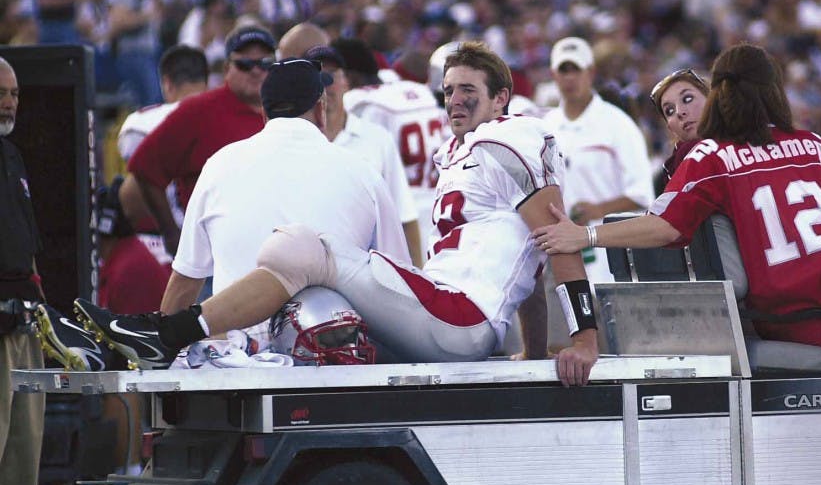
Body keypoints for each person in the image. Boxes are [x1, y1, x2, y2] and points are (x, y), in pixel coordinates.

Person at [532, 43, 821, 456]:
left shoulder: (707, 161)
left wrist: (587, 233)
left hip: (785, 309)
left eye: (687, 100)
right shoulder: (811, 146)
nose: (678, 115)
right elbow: (797, 213)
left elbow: (692, 222)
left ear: (719, 95)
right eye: (670, 111)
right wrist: (586, 236)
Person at [64, 42, 599, 387]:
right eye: (449, 90)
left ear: (503, 98)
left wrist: (584, 339)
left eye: (468, 91)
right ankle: (153, 339)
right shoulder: (460, 156)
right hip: (445, 313)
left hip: (460, 317)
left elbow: (558, 240)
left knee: (299, 246)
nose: (454, 100)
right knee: (311, 282)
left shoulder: (515, 137)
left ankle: (163, 334)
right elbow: (527, 263)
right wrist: (531, 352)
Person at [0, 56, 74, 485]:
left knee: (24, 442)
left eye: (15, 94)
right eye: (0, 92)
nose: (9, 102)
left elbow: (25, 245)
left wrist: (39, 307)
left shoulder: (11, 156)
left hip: (21, 316)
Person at [277, 22, 421, 266]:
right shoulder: (291, 139)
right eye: (316, 75)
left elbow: (404, 215)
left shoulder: (377, 139)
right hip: (303, 267)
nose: (324, 84)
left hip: (366, 267)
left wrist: (419, 278)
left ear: (346, 81)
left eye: (331, 75)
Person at [128, 25, 276, 258]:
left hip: (273, 255)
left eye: (265, 63)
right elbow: (144, 167)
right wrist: (171, 233)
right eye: (245, 64)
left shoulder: (287, 111)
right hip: (212, 260)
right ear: (227, 68)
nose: (256, 71)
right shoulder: (199, 111)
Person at [543, 36, 653, 285]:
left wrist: (597, 210)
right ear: (553, 75)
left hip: (610, 257)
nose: (570, 78)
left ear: (590, 72)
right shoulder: (545, 127)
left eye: (576, 69)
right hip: (563, 255)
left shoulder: (618, 124)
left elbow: (642, 195)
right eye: (563, 70)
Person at [336, 37, 447, 261]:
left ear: (349, 77)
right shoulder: (418, 91)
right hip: (439, 209)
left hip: (400, 221)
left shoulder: (361, 102)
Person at [117, 44, 210, 268]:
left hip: (159, 247)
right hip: (214, 242)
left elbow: (137, 194)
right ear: (207, 82)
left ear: (166, 83)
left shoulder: (139, 124)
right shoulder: (222, 117)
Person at [649, 67, 709, 194]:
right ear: (670, 127)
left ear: (711, 99)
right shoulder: (669, 170)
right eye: (669, 111)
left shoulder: (748, 142)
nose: (680, 112)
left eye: (687, 99)